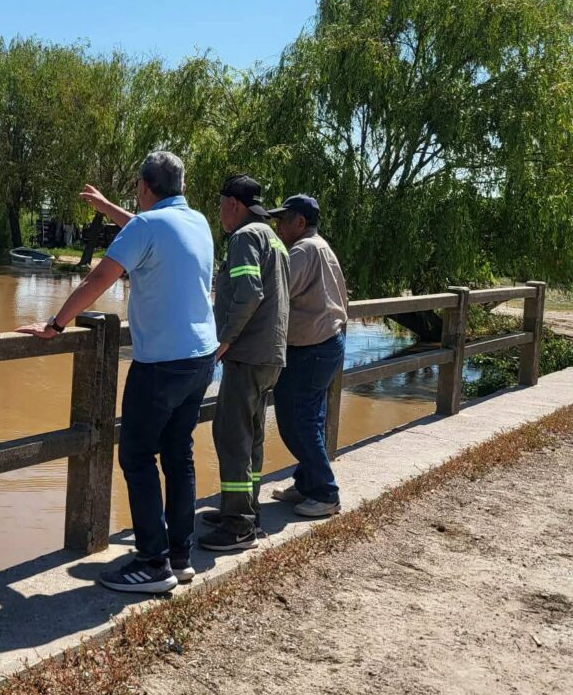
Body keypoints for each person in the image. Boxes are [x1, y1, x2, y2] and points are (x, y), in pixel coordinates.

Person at [17, 151, 218, 594]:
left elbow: (97, 280)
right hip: (201, 359)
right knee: (179, 454)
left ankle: (152, 563)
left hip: (162, 364)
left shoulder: (147, 227)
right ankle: (181, 556)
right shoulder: (197, 222)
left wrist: (55, 325)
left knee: (136, 456)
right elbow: (150, 233)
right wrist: (109, 209)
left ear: (145, 187)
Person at [200, 174, 288, 553]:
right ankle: (245, 511)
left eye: (220, 205)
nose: (219, 213)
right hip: (271, 354)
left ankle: (237, 526)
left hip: (247, 354)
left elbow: (250, 292)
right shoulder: (275, 241)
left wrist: (224, 339)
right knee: (251, 436)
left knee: (232, 437)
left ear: (233, 204)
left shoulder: (244, 238)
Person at [266, 195, 349, 517]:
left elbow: (275, 291)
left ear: (300, 222)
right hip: (326, 342)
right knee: (310, 418)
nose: (277, 226)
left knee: (295, 420)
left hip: (311, 347)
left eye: (283, 220)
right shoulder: (320, 247)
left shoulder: (302, 250)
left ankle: (326, 493)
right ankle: (306, 482)